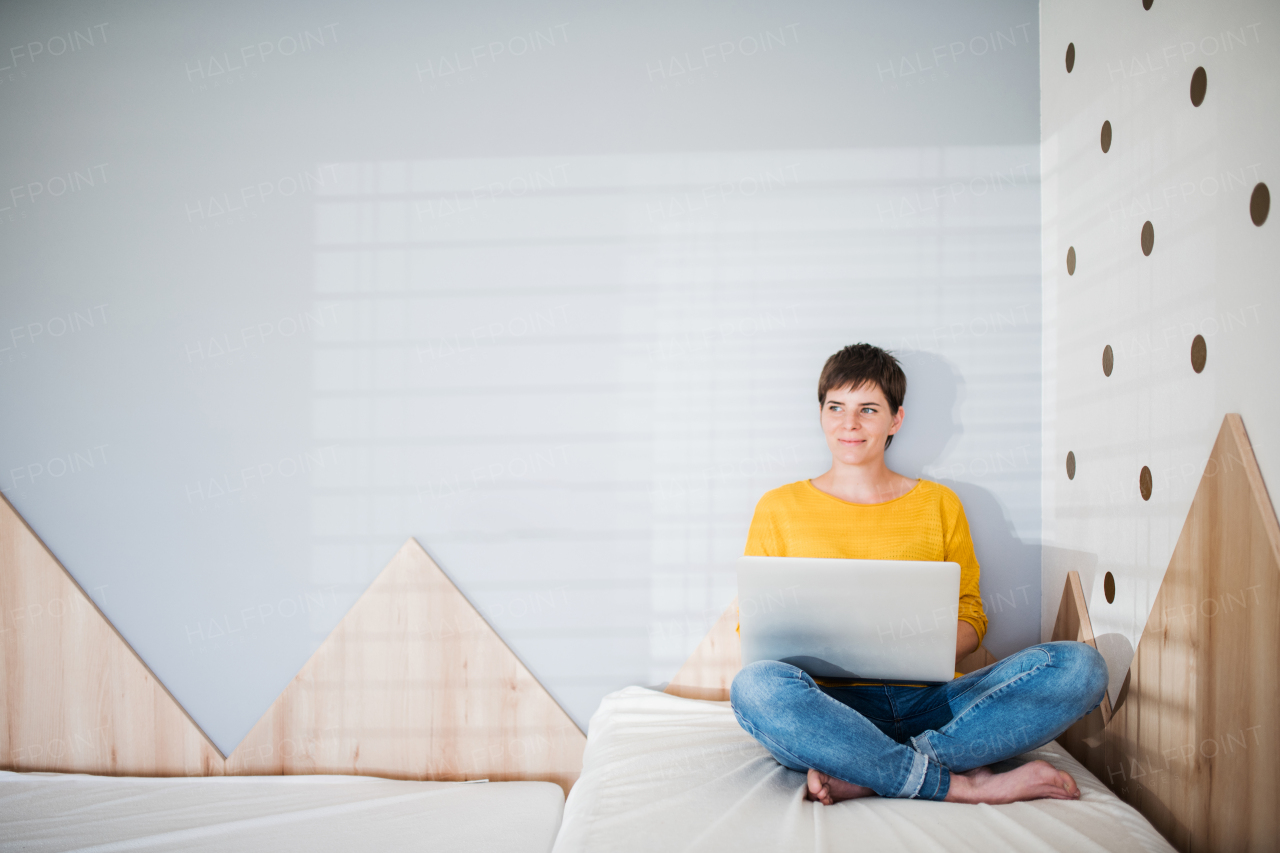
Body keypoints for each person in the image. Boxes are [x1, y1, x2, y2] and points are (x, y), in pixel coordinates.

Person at [728, 343, 1108, 805]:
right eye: (836, 408)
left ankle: (871, 770)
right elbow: (757, 630)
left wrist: (910, 646)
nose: (850, 424)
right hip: (831, 711)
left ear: (895, 420)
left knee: (1079, 668)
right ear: (822, 414)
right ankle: (954, 783)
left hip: (932, 703)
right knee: (755, 687)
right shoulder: (778, 508)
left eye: (868, 409)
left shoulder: (938, 504)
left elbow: (972, 618)